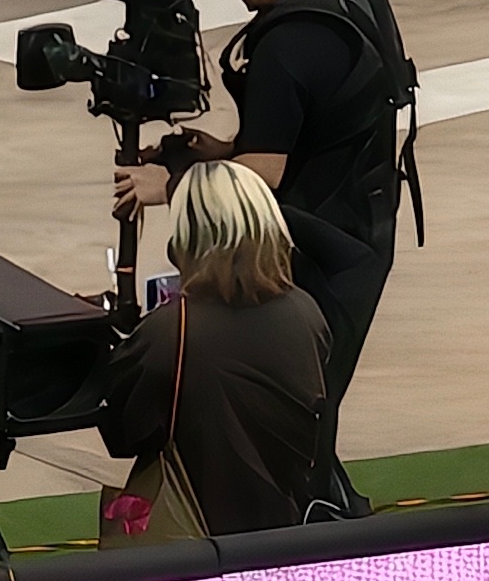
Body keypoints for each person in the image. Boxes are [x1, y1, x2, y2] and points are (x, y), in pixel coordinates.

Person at [108, 0, 412, 463]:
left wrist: (171, 187)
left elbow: (263, 177)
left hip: (320, 245)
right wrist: (223, 150)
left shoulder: (284, 45)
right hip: (367, 223)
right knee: (315, 400)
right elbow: (326, 120)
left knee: (300, 409)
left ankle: (313, 506)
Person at [94, 162, 335, 537]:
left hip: (202, 537)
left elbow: (123, 434)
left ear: (186, 240)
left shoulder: (171, 329)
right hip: (288, 529)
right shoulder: (306, 313)